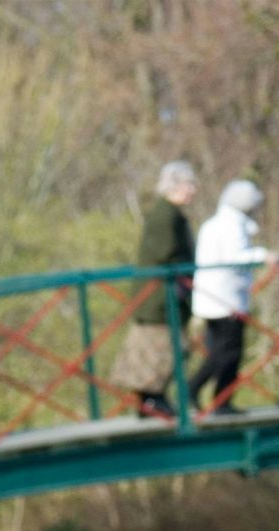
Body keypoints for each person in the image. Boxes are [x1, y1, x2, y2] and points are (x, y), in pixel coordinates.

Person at [110, 162, 197, 419]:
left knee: (165, 347)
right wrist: (185, 271)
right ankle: (151, 399)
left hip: (161, 295)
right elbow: (164, 252)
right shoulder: (165, 215)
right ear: (176, 186)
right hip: (160, 296)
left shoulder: (168, 213)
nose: (193, 190)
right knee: (163, 348)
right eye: (189, 185)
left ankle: (151, 400)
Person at [189, 180, 273, 413]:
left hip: (212, 298)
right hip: (226, 299)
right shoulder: (231, 226)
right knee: (229, 353)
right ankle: (215, 398)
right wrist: (263, 255)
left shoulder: (213, 224)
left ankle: (209, 395)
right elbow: (236, 257)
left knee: (220, 351)